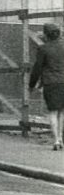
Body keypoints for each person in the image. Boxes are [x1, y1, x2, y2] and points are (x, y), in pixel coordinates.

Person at [28, 22, 64, 151]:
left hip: (50, 83)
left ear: (46, 35)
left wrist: (31, 85)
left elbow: (37, 69)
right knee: (62, 112)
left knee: (53, 112)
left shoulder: (43, 49)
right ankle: (61, 138)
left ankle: (56, 141)